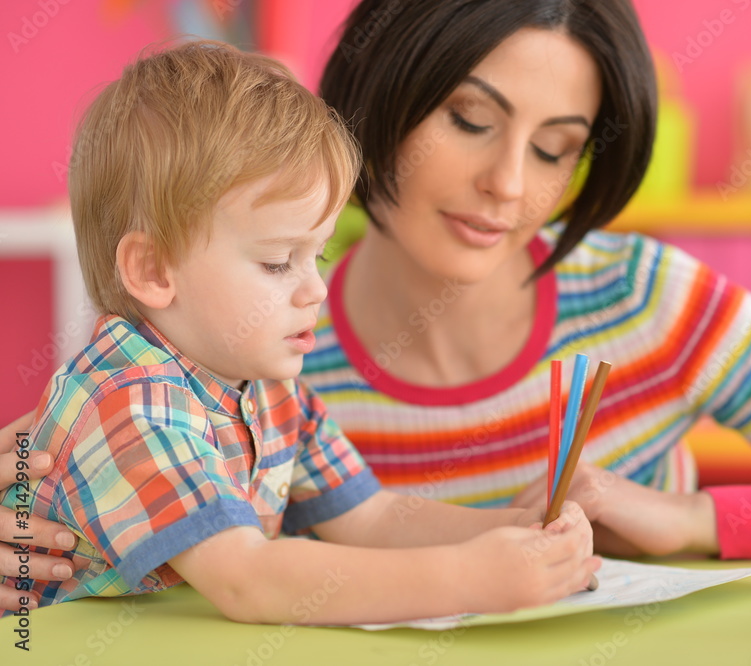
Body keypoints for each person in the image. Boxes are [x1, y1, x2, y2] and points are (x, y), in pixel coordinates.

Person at [0, 0, 751, 611]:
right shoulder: (256, 351)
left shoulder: (653, 300)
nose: (508, 185)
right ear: (383, 98)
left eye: (557, 149)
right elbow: (231, 571)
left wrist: (689, 521)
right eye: (470, 119)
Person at [0, 40, 597, 622]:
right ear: (154, 270)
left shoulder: (268, 392)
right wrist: (469, 578)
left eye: (319, 256)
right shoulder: (130, 402)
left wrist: (514, 532)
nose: (315, 290)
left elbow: (372, 519)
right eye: (278, 261)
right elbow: (247, 579)